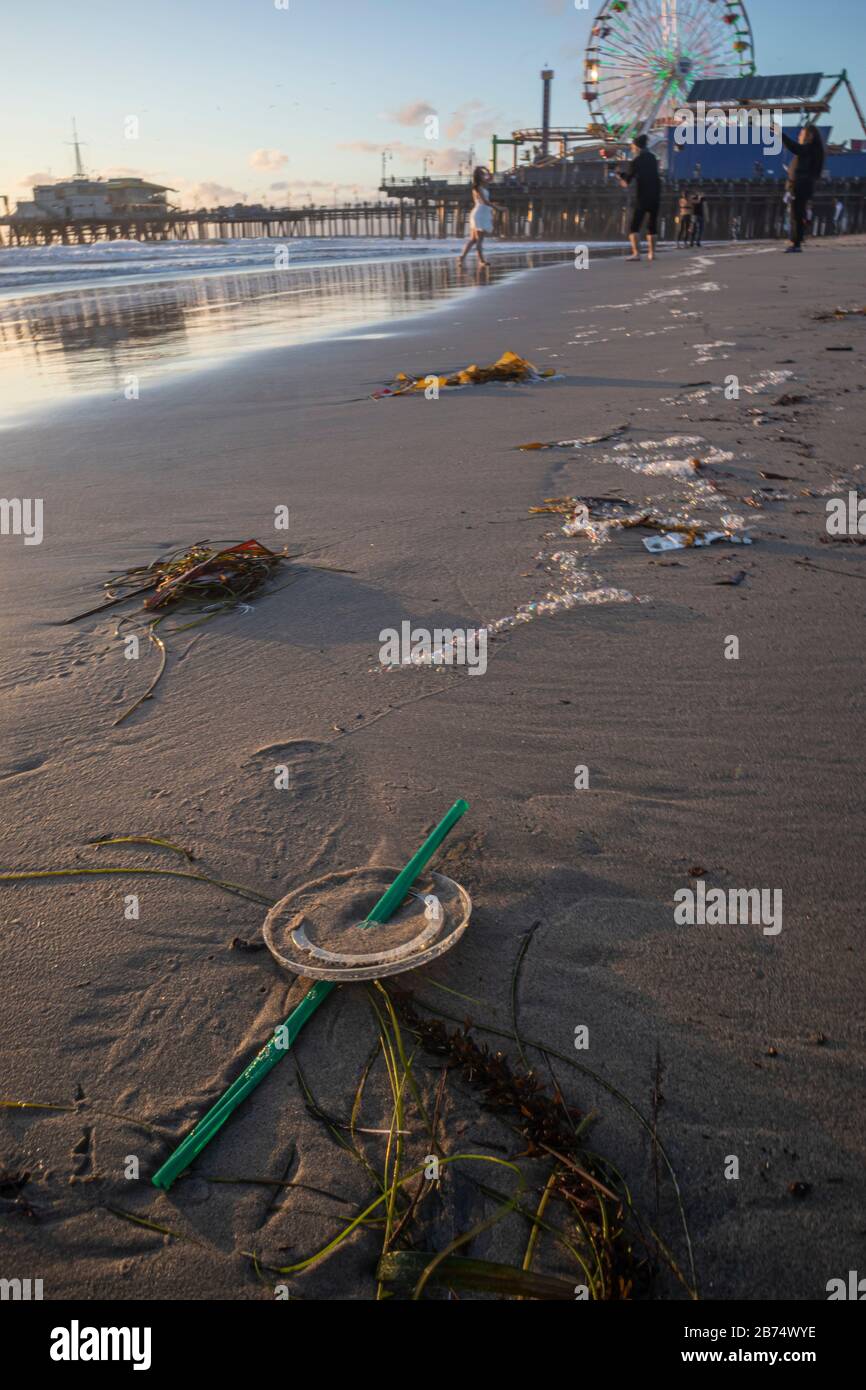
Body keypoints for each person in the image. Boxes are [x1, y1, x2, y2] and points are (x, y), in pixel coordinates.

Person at [776, 124, 824, 253]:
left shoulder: (809, 149)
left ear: (809, 136)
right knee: (799, 213)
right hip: (806, 185)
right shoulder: (816, 150)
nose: (799, 136)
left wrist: (780, 134)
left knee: (796, 213)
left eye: (802, 134)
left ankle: (796, 243)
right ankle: (797, 240)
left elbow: (794, 148)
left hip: (801, 185)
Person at [617, 133, 660, 262]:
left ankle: (636, 254)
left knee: (634, 227)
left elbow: (626, 182)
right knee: (652, 225)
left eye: (632, 146)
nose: (631, 148)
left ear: (636, 146)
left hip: (642, 196)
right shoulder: (653, 158)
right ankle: (652, 254)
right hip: (656, 194)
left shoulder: (636, 160)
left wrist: (620, 175)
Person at [458, 166, 498, 269]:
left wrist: (487, 169)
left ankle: (462, 257)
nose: (484, 176)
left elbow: (491, 178)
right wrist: (497, 207)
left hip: (481, 213)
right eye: (482, 174)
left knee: (473, 240)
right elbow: (484, 201)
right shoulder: (477, 188)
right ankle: (481, 260)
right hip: (480, 214)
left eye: (484, 174)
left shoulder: (484, 185)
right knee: (479, 239)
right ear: (478, 176)